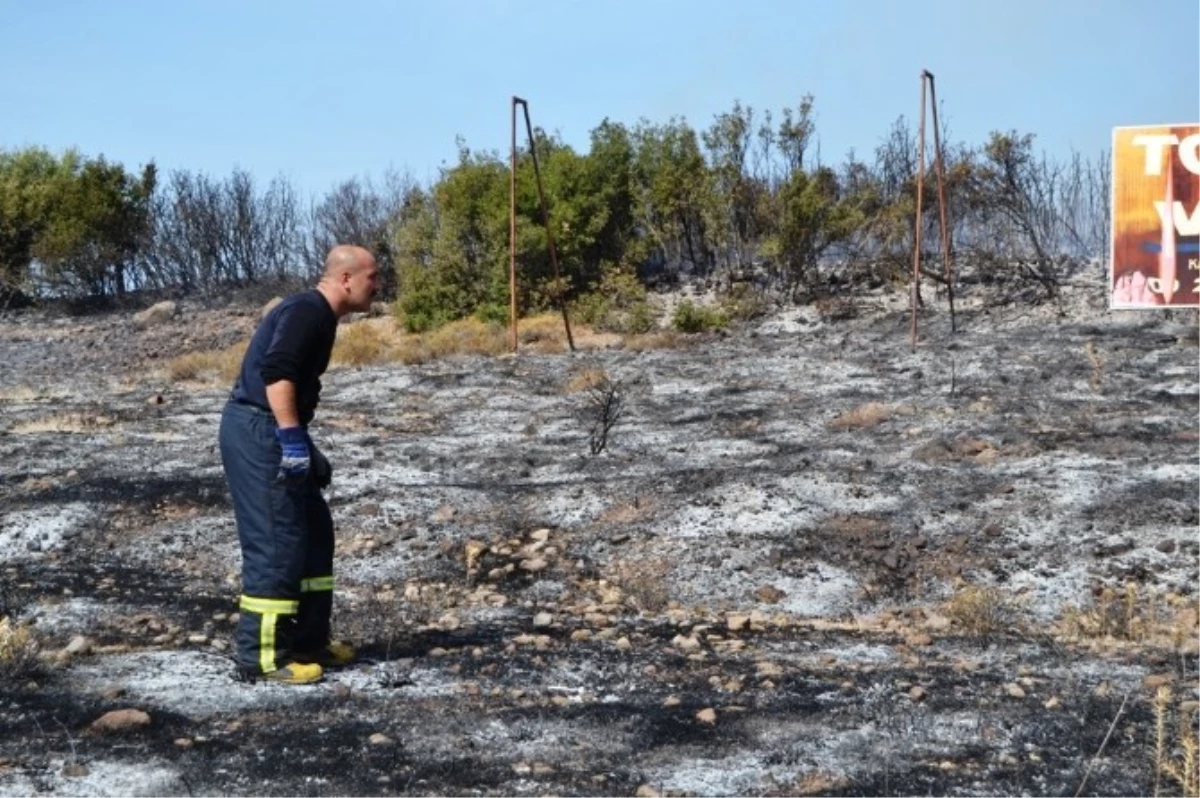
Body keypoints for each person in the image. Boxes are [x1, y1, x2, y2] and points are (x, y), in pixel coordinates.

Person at [219, 244, 380, 684]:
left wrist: (305, 444)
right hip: (258, 430)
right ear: (346, 279)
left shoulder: (320, 315)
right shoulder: (308, 311)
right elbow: (278, 374)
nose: (377, 284)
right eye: (372, 276)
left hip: (276, 427)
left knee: (313, 531)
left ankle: (309, 642)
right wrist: (291, 440)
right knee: (278, 539)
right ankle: (261, 658)